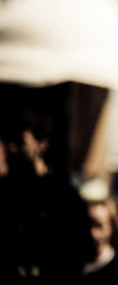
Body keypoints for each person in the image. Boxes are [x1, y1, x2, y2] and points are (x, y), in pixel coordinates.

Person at [0, 109, 95, 284]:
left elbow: (83, 249)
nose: (13, 148)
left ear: (42, 145)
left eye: (21, 142)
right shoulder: (10, 192)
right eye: (11, 142)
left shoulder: (64, 195)